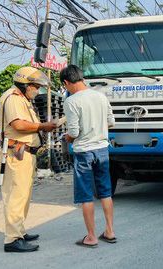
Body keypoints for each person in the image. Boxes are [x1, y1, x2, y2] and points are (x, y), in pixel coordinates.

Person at [0, 66, 57, 252]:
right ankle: (12, 240)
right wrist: (42, 126)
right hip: (16, 152)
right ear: (25, 85)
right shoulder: (14, 97)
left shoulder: (22, 98)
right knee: (16, 196)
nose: (36, 90)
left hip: (23, 153)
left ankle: (19, 231)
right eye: (35, 86)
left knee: (23, 195)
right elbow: (18, 124)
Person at [61, 65, 116, 248]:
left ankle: (91, 237)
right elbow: (111, 122)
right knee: (105, 192)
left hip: (84, 152)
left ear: (67, 82)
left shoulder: (71, 101)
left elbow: (74, 132)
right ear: (81, 78)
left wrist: (67, 137)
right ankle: (109, 231)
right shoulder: (101, 96)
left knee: (86, 195)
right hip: (102, 149)